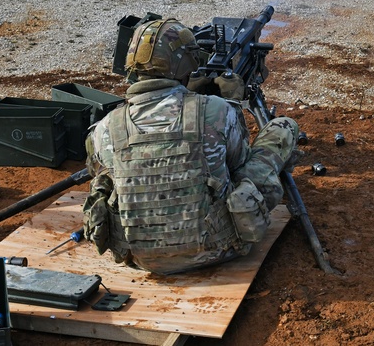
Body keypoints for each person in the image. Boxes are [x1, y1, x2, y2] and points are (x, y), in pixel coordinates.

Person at [82, 17, 299, 274]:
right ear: (186, 61)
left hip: (141, 258)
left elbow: (100, 171)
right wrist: (231, 103)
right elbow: (239, 164)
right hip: (219, 247)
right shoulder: (215, 111)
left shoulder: (107, 127)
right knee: (282, 127)